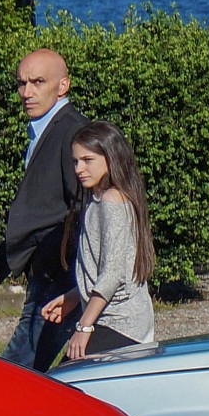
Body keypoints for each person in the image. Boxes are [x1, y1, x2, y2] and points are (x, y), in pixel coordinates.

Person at [0, 47, 83, 373]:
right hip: (50, 274)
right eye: (21, 84)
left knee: (17, 374)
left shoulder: (72, 131)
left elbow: (82, 210)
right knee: (38, 374)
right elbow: (37, 210)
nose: (26, 93)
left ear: (63, 86)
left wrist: (77, 285)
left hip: (60, 275)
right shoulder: (44, 130)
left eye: (37, 82)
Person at [42, 121, 157, 361]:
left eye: (88, 160)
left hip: (120, 324)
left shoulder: (112, 201)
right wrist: (73, 297)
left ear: (110, 157)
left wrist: (83, 328)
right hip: (114, 320)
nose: (79, 168)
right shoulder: (101, 199)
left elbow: (113, 273)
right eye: (75, 161)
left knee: (65, 386)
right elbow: (108, 268)